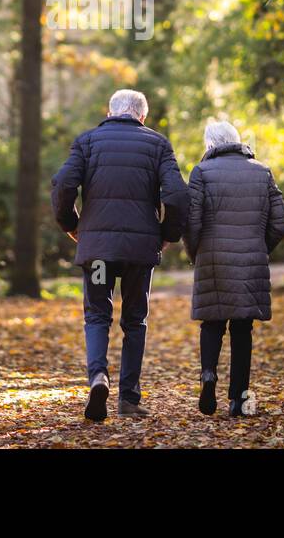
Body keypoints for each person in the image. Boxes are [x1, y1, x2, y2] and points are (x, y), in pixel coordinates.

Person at [51, 89, 188, 422]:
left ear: (110, 112)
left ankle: (98, 377)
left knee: (98, 314)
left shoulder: (87, 142)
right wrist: (167, 235)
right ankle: (128, 399)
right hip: (139, 254)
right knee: (134, 320)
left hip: (98, 253)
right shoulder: (157, 144)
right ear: (141, 116)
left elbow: (63, 184)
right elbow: (177, 194)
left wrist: (73, 226)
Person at [185, 119, 284, 417]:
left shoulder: (201, 172)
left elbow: (192, 221)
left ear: (210, 145)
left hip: (212, 258)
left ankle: (208, 375)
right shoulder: (262, 171)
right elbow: (280, 222)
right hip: (251, 259)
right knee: (243, 329)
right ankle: (239, 400)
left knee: (212, 322)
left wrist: (196, 252)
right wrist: (259, 246)